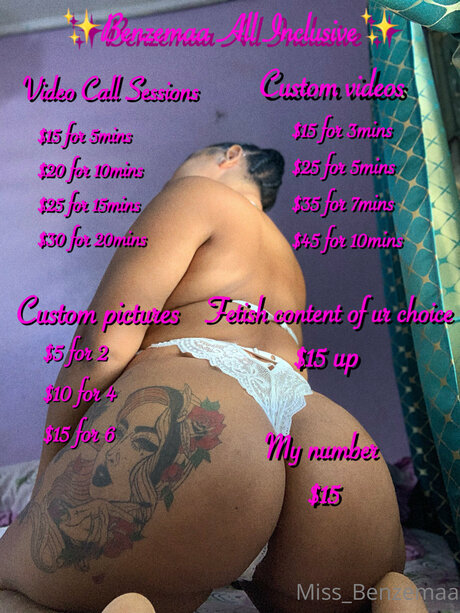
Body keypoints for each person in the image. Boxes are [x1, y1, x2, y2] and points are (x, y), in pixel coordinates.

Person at [0, 144, 427, 613]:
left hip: (209, 420)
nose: (174, 177)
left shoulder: (194, 193)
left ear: (229, 156)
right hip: (330, 445)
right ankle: (392, 594)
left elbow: (102, 345)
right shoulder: (287, 261)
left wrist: (51, 474)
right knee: (364, 593)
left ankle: (135, 602)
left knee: (10, 577)